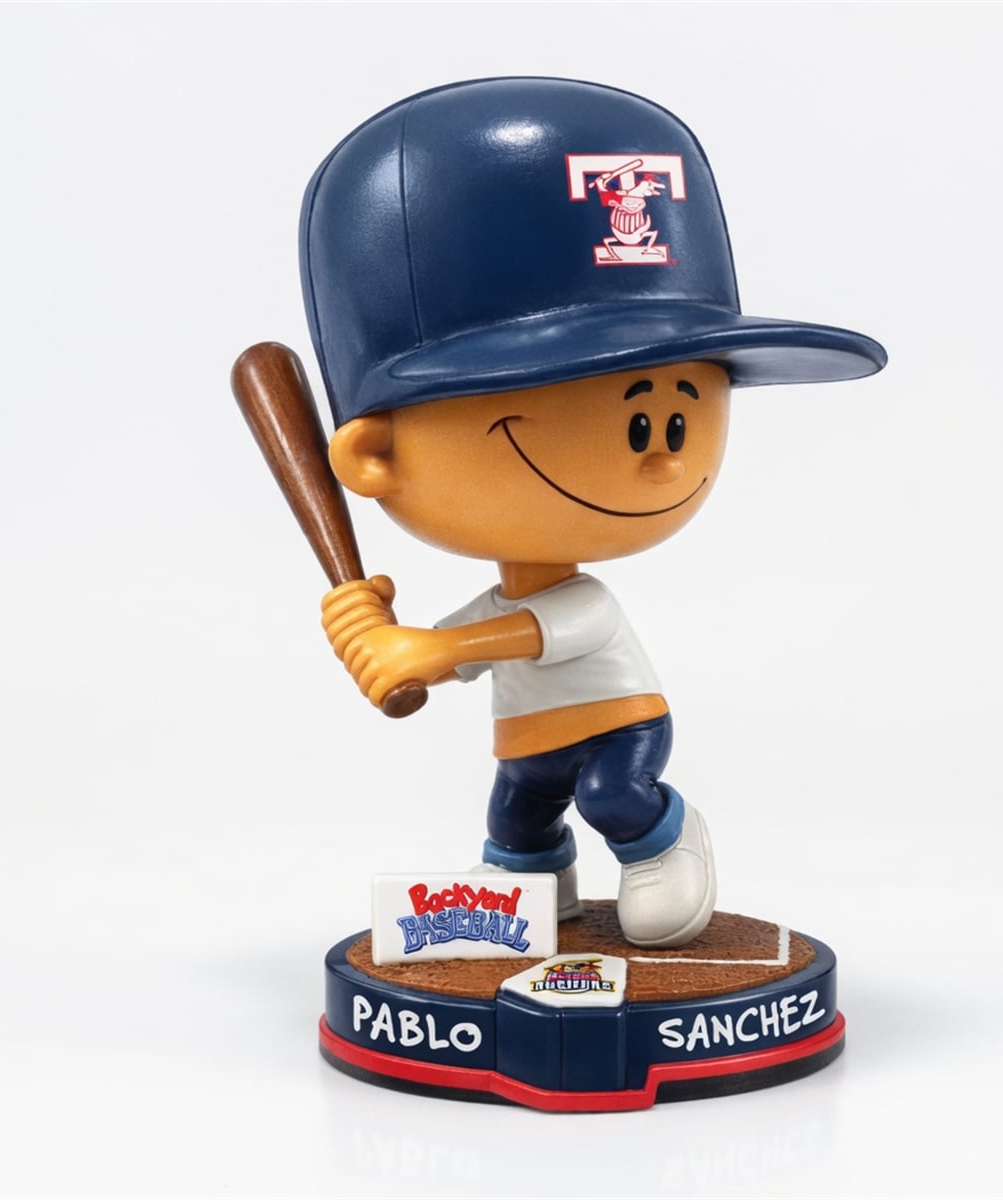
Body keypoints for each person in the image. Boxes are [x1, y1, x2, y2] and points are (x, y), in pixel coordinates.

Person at [298, 78, 885, 948]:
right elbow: (468, 646)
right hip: (527, 739)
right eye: (636, 423)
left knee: (611, 797)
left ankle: (668, 843)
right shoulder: (499, 606)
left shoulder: (579, 603)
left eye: (681, 415)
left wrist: (428, 650)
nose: (664, 457)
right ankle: (533, 892)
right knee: (518, 818)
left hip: (620, 729)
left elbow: (538, 630)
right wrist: (387, 641)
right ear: (373, 456)